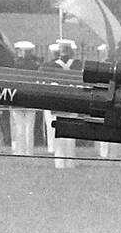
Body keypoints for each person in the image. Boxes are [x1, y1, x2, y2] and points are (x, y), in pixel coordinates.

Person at [41, 39, 81, 169]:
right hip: (73, 101)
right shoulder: (77, 65)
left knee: (57, 133)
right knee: (71, 133)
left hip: (57, 102)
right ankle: (70, 161)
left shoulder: (49, 66)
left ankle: (59, 162)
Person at [9, 40, 40, 156]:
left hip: (17, 98)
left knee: (19, 126)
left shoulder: (15, 65)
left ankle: (19, 150)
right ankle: (29, 151)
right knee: (29, 127)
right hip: (31, 98)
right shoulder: (35, 66)